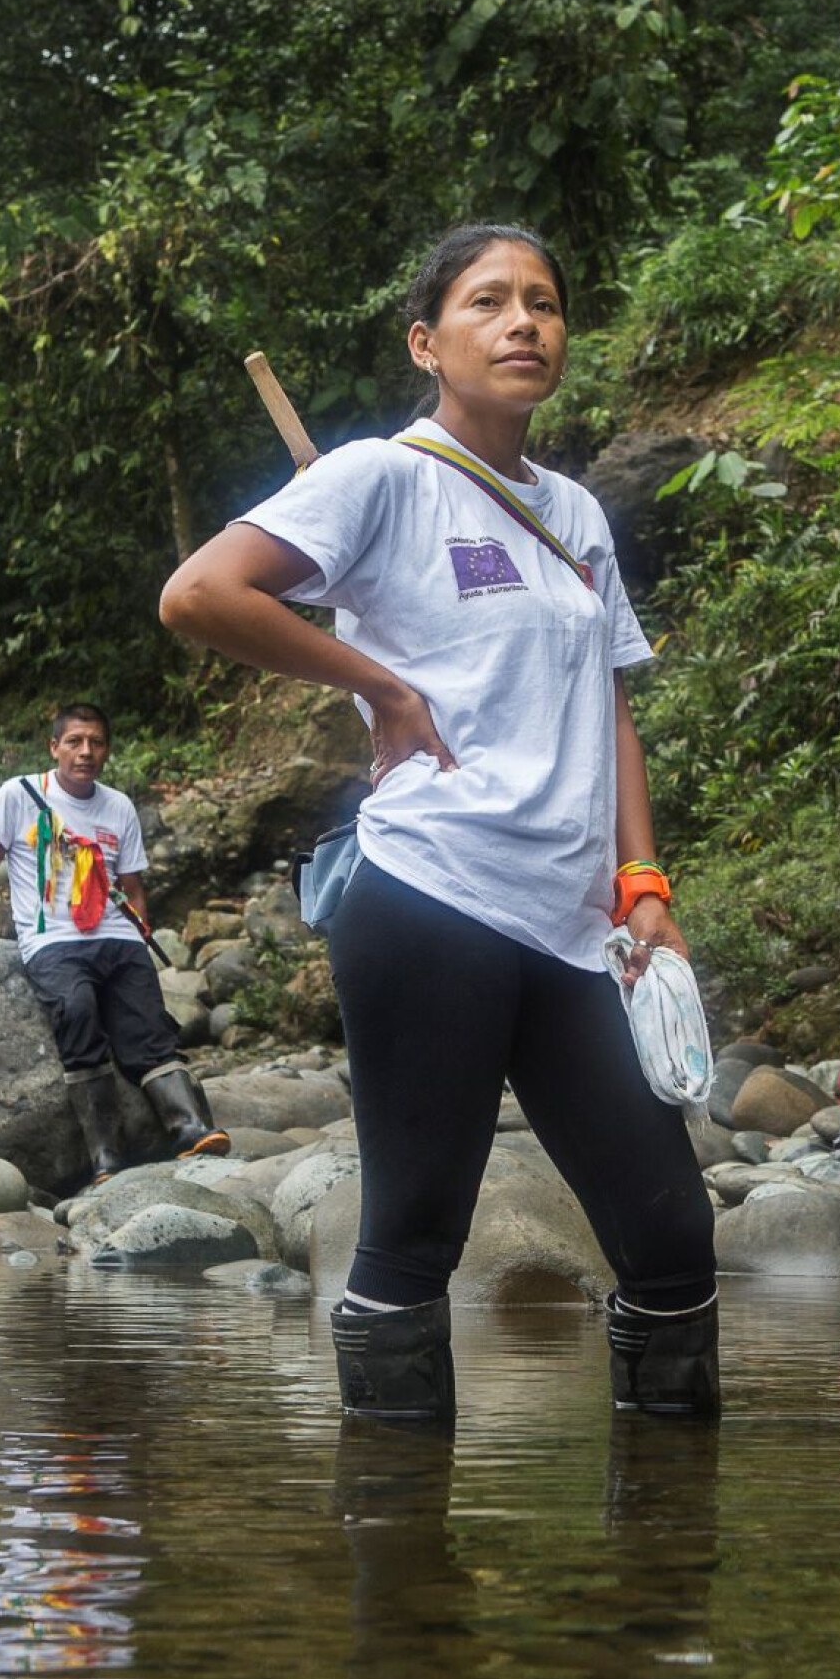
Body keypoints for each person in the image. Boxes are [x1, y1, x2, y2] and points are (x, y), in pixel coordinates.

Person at [159, 223, 719, 1421]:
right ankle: (399, 1578)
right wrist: (379, 684)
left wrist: (643, 878)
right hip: (429, 893)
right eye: (488, 302)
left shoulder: (574, 513)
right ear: (427, 341)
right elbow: (201, 592)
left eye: (544, 302)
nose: (524, 321)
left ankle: (665, 1584)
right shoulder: (379, 475)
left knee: (671, 1235)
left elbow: (610, 702)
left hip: (573, 925)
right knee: (416, 1229)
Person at [0, 702, 228, 1185]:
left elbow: (133, 886)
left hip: (117, 938)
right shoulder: (18, 795)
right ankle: (105, 1154)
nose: (86, 751)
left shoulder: (117, 805)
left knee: (148, 1032)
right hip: (53, 940)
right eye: (74, 741)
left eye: (96, 742)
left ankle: (189, 1127)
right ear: (54, 747)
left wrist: (141, 941)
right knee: (76, 1011)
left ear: (107, 750)